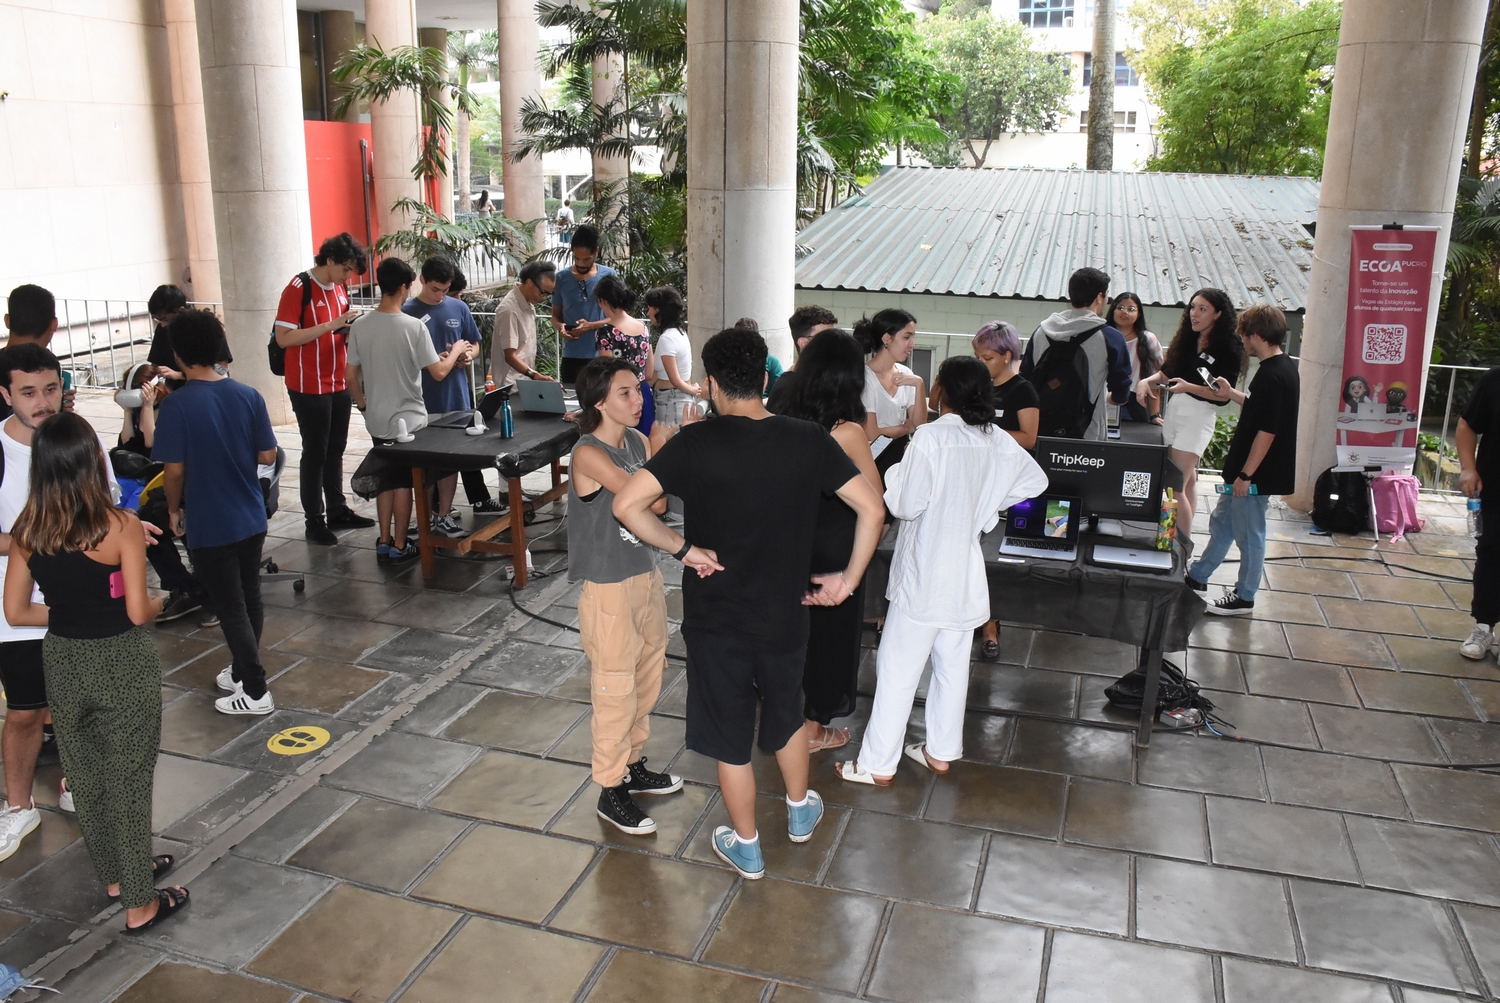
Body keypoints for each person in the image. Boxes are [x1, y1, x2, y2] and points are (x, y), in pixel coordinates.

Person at [612, 327, 885, 881]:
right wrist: (848, 582)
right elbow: (872, 510)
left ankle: (747, 844)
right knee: (786, 716)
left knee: (731, 736)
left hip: (716, 619)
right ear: (765, 377)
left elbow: (628, 505)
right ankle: (801, 812)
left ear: (711, 384)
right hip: (785, 613)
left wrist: (683, 549)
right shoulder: (808, 439)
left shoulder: (695, 443)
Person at [4, 411, 187, 932]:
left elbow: (16, 612)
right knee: (128, 778)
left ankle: (117, 874)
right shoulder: (120, 526)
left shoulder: (27, 531)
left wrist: (68, 614)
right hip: (121, 660)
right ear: (92, 463)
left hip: (62, 657)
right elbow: (135, 611)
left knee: (84, 774)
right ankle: (139, 903)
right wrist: (159, 599)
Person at [838, 356, 1047, 786]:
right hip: (966, 571)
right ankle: (940, 752)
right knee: (953, 666)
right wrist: (986, 510)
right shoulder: (996, 439)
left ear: (942, 393)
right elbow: (1034, 482)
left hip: (925, 570)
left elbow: (904, 504)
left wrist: (896, 473)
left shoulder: (931, 438)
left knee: (898, 669)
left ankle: (877, 764)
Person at [0, 346, 122, 861]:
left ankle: (77, 782)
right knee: (26, 713)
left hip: (82, 606)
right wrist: (39, 541)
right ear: (6, 395)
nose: (43, 401)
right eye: (28, 392)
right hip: (16, 611)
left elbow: (107, 506)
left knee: (84, 706)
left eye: (51, 388)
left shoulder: (81, 438)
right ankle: (18, 805)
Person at [568, 357, 682, 835]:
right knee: (615, 685)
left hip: (644, 574)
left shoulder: (634, 442)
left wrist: (655, 452)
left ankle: (632, 764)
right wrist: (662, 455)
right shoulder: (588, 454)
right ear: (599, 401)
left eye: (637, 391)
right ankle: (610, 789)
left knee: (647, 671)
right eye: (625, 393)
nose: (638, 400)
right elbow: (652, 502)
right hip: (608, 587)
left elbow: (660, 504)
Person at [155, 310, 280, 713]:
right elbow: (267, 453)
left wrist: (173, 510)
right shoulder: (247, 394)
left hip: (211, 521)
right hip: (250, 513)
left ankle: (256, 691)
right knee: (249, 597)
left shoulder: (177, 406)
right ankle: (244, 671)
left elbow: (173, 471)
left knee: (229, 605)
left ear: (178, 354)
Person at [767, 329, 882, 753]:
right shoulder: (846, 430)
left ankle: (782, 713)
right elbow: (875, 500)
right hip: (831, 547)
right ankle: (813, 729)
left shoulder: (778, 406)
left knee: (789, 633)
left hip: (784, 540)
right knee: (828, 640)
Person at [348, 258, 465, 565]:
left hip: (377, 416)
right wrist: (454, 352)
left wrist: (363, 405)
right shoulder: (413, 327)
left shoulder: (360, 324)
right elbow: (439, 372)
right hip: (409, 420)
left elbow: (350, 376)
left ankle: (384, 539)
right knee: (403, 483)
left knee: (384, 480)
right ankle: (401, 545)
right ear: (404, 287)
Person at [1185, 304, 1299, 615]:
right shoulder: (1281, 368)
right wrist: (1233, 393)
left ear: (1257, 336)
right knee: (1223, 524)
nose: (1243, 342)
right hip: (1247, 470)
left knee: (1250, 534)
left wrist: (1246, 476)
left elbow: (1267, 431)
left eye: (1245, 335)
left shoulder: (1272, 376)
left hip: (1253, 474)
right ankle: (1198, 575)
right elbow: (1261, 409)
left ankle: (1244, 596)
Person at [273, 233, 374, 546]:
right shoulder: (299, 288)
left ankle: (337, 509)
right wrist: (332, 325)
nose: (348, 276)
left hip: (338, 380)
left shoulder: (340, 287)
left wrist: (349, 327)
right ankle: (314, 520)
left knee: (336, 448)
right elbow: (284, 338)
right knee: (315, 452)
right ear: (329, 260)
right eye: (345, 269)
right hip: (308, 384)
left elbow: (338, 327)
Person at [1135, 289, 1243, 540]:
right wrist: (1146, 382)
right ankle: (1182, 537)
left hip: (1198, 416)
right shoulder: (1186, 339)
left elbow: (1222, 394)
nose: (1194, 314)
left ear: (1218, 314)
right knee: (1188, 480)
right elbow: (1166, 373)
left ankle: (1175, 542)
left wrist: (1187, 387)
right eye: (1192, 307)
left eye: (1203, 309)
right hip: (1175, 412)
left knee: (1173, 486)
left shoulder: (1229, 345)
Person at [962, 321, 1039, 661]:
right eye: (977, 357)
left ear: (1008, 356)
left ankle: (990, 624)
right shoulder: (976, 387)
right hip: (975, 479)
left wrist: (987, 434)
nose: (981, 364)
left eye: (988, 357)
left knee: (993, 558)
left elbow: (1030, 437)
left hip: (1006, 484)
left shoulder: (1024, 391)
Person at [403, 257, 478, 538]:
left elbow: (474, 343)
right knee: (423, 464)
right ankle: (423, 516)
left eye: (445, 290)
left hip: (456, 396)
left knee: (450, 461)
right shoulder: (406, 312)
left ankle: (444, 515)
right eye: (436, 289)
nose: (441, 295)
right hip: (422, 399)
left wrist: (466, 355)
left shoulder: (458, 307)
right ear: (422, 280)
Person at [1021, 267, 1133, 440]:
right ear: (1099, 297)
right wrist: (1114, 398)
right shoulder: (1110, 337)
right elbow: (1121, 389)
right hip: (1087, 432)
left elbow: (1025, 378)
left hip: (1039, 429)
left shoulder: (1041, 331)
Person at [856, 309, 926, 480]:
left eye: (913, 337)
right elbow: (872, 433)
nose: (912, 344)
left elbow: (919, 424)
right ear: (887, 338)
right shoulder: (865, 376)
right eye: (906, 337)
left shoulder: (906, 374)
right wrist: (905, 428)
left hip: (900, 456)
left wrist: (919, 383)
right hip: (873, 457)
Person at [1458, 370, 1500, 658]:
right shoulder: (1495, 379)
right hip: (1495, 485)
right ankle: (1484, 626)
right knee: (1491, 552)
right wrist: (1468, 468)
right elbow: (1467, 424)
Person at [552, 224, 617, 384]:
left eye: (586, 259)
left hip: (602, 355)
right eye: (576, 258)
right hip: (571, 356)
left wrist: (591, 326)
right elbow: (555, 316)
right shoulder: (561, 278)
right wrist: (561, 327)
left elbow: (617, 318)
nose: (580, 263)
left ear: (596, 252)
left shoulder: (609, 275)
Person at [593, 275, 654, 438]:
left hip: (620, 396)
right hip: (643, 392)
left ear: (603, 301)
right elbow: (649, 373)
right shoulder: (643, 328)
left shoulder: (605, 332)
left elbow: (607, 374)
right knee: (643, 446)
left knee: (621, 447)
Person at [3, 285, 75, 416]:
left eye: (50, 390)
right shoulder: (50, 365)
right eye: (29, 393)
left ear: (7, 321)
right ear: (54, 324)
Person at [645, 286, 700, 433]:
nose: (648, 312)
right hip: (674, 399)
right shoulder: (679, 333)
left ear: (659, 310)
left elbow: (675, 379)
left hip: (671, 400)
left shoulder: (667, 338)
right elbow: (656, 374)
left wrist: (695, 391)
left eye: (650, 307)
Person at [1108, 292, 1163, 421]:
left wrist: (1154, 415)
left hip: (1133, 407)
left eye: (1131, 309)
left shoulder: (1148, 339)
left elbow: (1155, 378)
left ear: (1138, 314)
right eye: (1120, 307)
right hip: (1102, 405)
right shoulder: (1102, 335)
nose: (1124, 312)